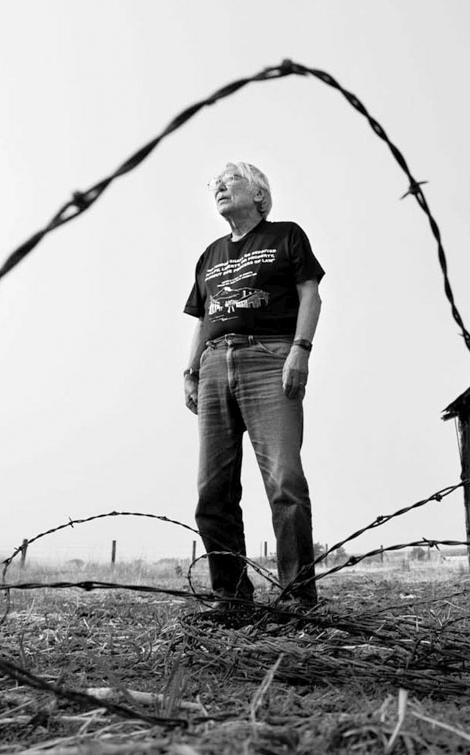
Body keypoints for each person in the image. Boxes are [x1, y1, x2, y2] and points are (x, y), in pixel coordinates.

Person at [182, 162, 324, 608]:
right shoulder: (210, 255)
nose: (220, 187)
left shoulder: (286, 236)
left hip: (270, 357)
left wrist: (301, 348)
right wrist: (190, 371)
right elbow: (205, 318)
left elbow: (309, 294)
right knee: (212, 488)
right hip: (214, 366)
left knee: (284, 479)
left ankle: (297, 597)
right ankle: (232, 596)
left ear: (260, 195)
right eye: (215, 184)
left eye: (232, 180)